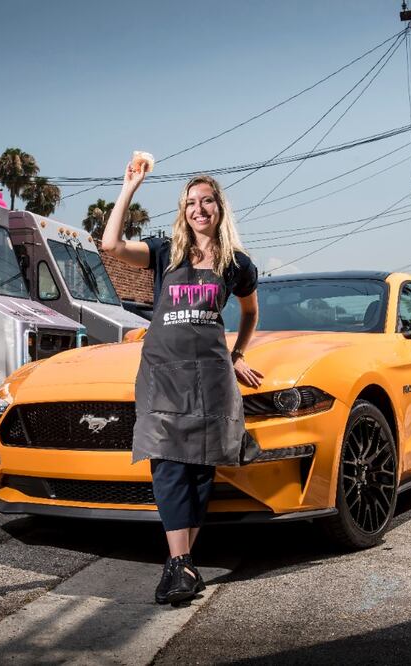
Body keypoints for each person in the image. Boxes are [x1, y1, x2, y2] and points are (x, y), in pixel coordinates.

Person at [101, 161, 263, 605]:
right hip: (162, 374)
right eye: (190, 202)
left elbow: (250, 313)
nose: (199, 209)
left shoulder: (236, 264)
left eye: (206, 200)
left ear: (219, 206)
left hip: (210, 375)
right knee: (168, 464)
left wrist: (238, 355)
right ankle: (178, 563)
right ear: (182, 212)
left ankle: (183, 566)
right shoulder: (163, 252)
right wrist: (128, 185)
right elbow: (110, 243)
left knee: (199, 469)